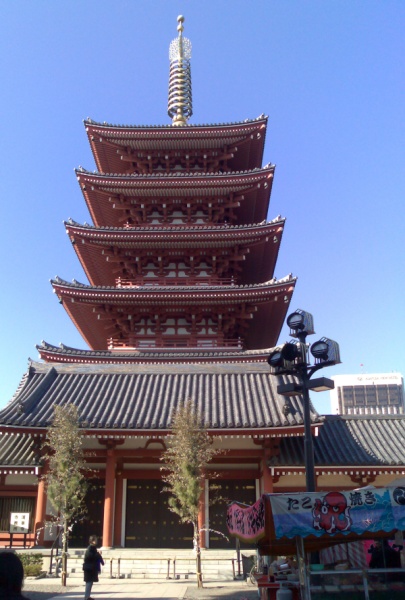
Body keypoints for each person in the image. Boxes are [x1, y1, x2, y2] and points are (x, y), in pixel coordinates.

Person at [83, 535, 104, 600]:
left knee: (90, 582)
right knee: (89, 582)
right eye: (95, 540)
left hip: (91, 567)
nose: (96, 541)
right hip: (89, 568)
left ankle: (87, 596)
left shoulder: (93, 548)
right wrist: (98, 554)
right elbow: (90, 556)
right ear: (92, 541)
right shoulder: (90, 548)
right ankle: (86, 596)